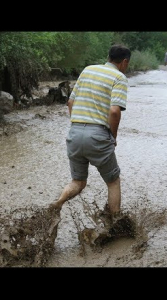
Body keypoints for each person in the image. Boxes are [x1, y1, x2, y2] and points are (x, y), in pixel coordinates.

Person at [49, 44, 131, 221]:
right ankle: (115, 223)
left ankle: (58, 202)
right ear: (124, 62)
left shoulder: (87, 70)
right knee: (113, 181)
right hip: (98, 135)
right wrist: (112, 138)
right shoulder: (119, 77)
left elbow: (70, 103)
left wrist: (77, 125)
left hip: (75, 132)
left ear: (108, 57)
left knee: (78, 182)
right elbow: (115, 112)